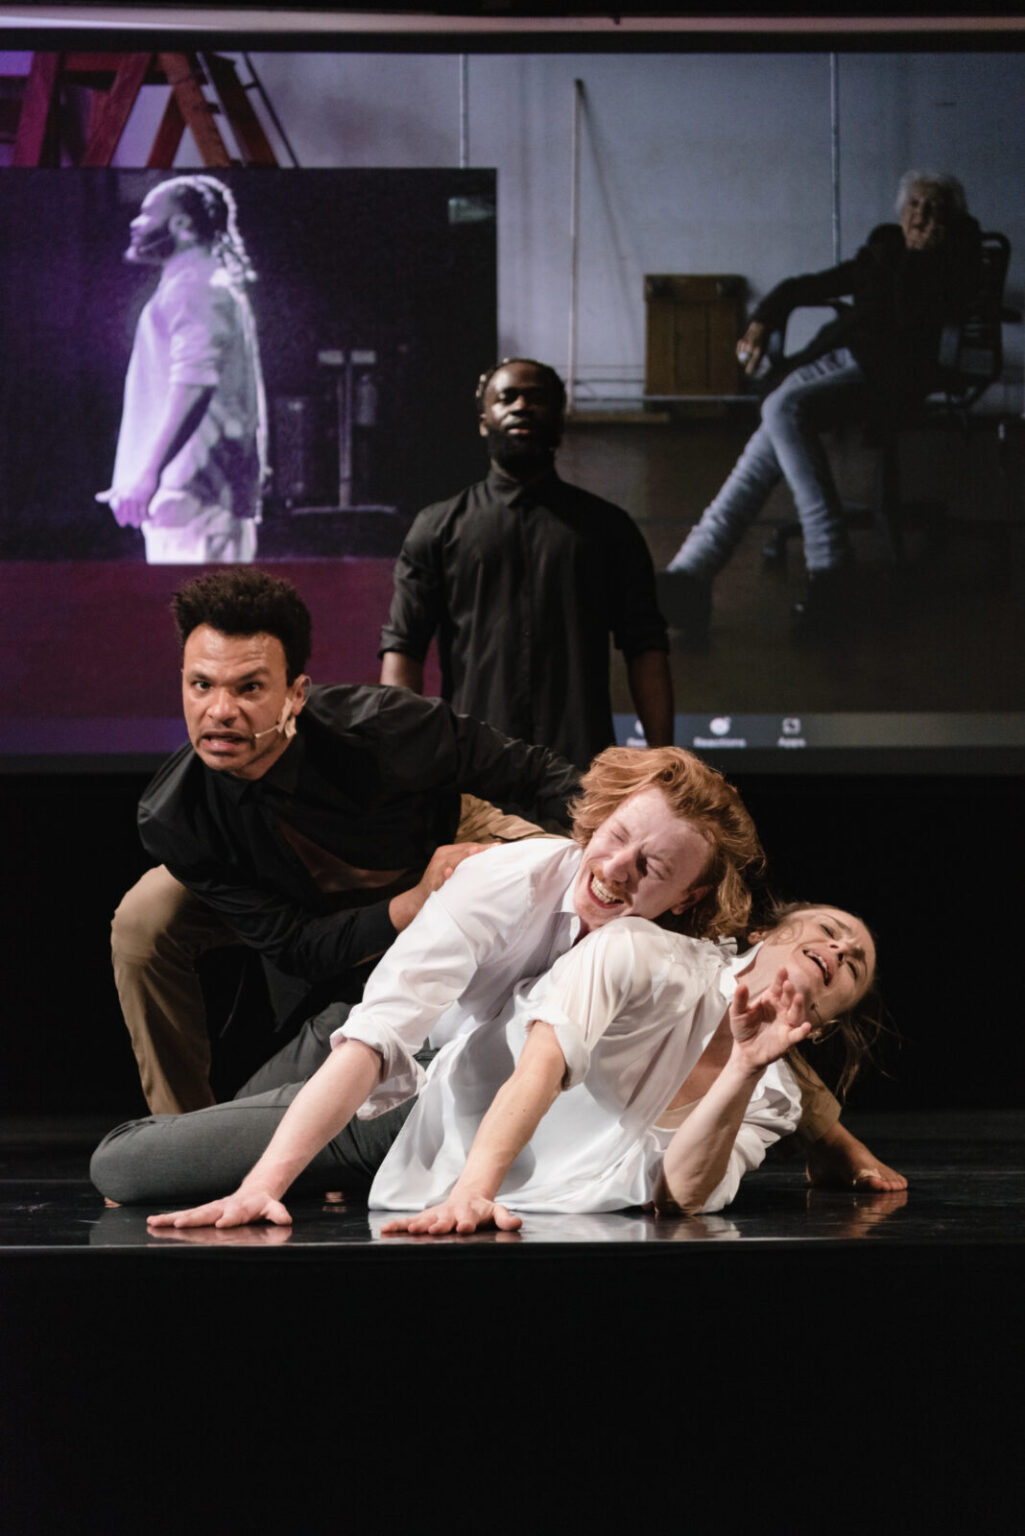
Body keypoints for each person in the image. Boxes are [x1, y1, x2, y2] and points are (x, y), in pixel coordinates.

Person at [93, 748, 903, 1218]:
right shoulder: (508, 883)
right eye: (616, 838)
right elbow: (379, 1037)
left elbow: (762, 1036)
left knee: (246, 1153)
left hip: (444, 1092)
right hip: (394, 1063)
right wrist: (262, 1189)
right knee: (142, 1170)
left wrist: (833, 1142)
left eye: (651, 868)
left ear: (687, 900)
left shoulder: (693, 959)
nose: (616, 870)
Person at [112, 568, 581, 1117]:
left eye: (249, 688)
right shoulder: (175, 816)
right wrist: (412, 904)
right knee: (143, 919)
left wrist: (615, 839)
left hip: (444, 845)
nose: (219, 711)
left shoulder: (384, 727)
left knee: (580, 890)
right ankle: (178, 1135)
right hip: (317, 909)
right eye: (201, 685)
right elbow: (297, 948)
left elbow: (534, 774)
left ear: (296, 694)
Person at [664, 172, 982, 638]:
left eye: (934, 207)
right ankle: (692, 574)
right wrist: (763, 318)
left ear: (952, 216)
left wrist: (918, 258)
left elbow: (911, 319)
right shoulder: (886, 245)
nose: (921, 215)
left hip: (893, 373)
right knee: (772, 428)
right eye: (914, 204)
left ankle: (830, 566)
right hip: (840, 362)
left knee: (780, 410)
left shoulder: (958, 253)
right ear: (900, 210)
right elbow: (809, 286)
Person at [379, 358, 673, 769]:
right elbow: (403, 649)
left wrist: (663, 764)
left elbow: (646, 649)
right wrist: (403, 761)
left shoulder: (609, 529)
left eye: (537, 398)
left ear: (559, 421)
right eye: (507, 398)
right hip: (474, 774)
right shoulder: (438, 527)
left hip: (581, 774)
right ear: (484, 421)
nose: (522, 406)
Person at [96, 174, 267, 564]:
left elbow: (194, 383)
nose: (135, 223)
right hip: (190, 496)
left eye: (147, 215)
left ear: (182, 226)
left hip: (193, 496)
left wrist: (148, 473)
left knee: (198, 603)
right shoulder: (196, 283)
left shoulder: (196, 287)